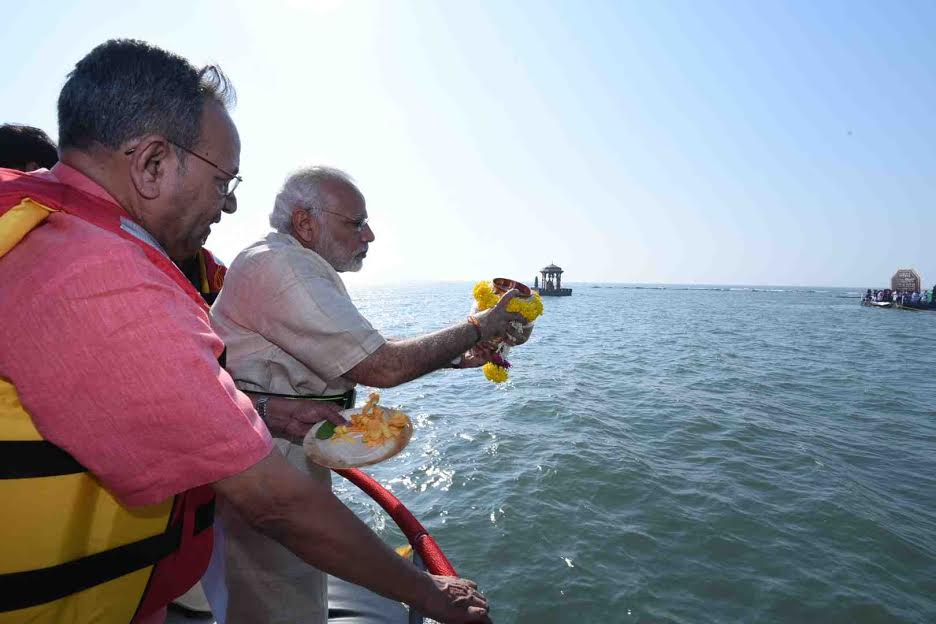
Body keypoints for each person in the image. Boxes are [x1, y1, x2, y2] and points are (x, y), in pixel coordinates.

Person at [0, 40, 490, 624]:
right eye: (222, 180)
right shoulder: (100, 276)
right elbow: (273, 503)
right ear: (152, 163)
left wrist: (264, 409)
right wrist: (429, 593)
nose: (228, 207)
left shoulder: (42, 229)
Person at [208, 166, 528, 623]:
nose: (370, 234)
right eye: (355, 223)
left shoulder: (290, 263)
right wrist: (482, 325)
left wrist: (459, 356)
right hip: (265, 462)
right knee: (280, 605)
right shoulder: (283, 268)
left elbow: (357, 348)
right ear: (305, 223)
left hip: (279, 443)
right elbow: (381, 364)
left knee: (292, 593)